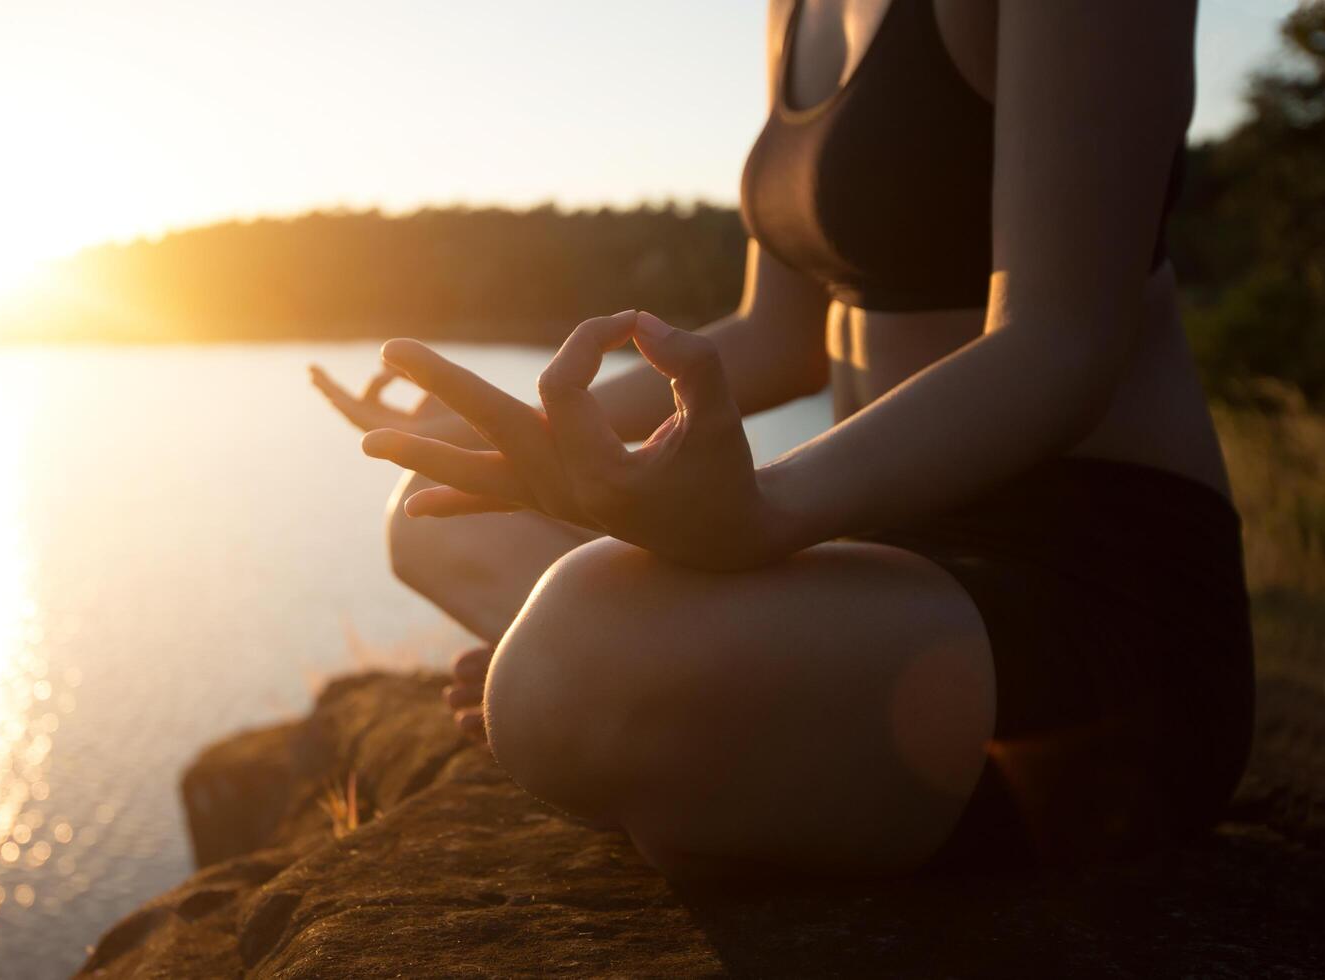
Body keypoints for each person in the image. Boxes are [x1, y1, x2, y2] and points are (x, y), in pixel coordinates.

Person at [309, 0, 1253, 876]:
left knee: (575, 656)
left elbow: (1060, 343)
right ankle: (687, 705)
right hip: (886, 541)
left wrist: (770, 512)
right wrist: (512, 437)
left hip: (1089, 587)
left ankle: (637, 706)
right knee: (437, 519)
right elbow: (778, 337)